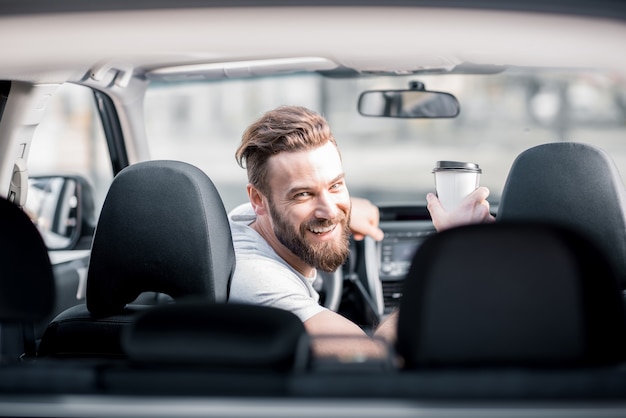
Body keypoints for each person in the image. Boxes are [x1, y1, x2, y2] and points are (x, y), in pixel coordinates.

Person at [228, 105, 494, 358]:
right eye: (303, 194)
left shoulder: (244, 221)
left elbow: (323, 208)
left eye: (335, 186)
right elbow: (372, 358)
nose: (330, 211)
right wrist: (454, 256)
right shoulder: (257, 281)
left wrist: (349, 211)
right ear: (259, 200)